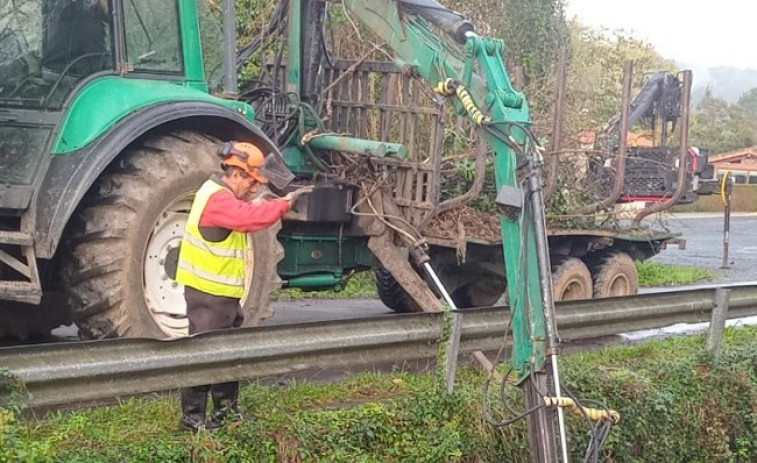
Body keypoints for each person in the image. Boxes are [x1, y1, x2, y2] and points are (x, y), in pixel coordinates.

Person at [175, 140, 307, 433]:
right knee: (205, 354)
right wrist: (282, 204)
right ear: (235, 173)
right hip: (208, 294)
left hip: (221, 295)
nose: (253, 188)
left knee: (228, 351)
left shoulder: (219, 194)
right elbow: (248, 218)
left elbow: (244, 210)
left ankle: (226, 412)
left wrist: (260, 202)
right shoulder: (218, 199)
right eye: (252, 181)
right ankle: (192, 419)